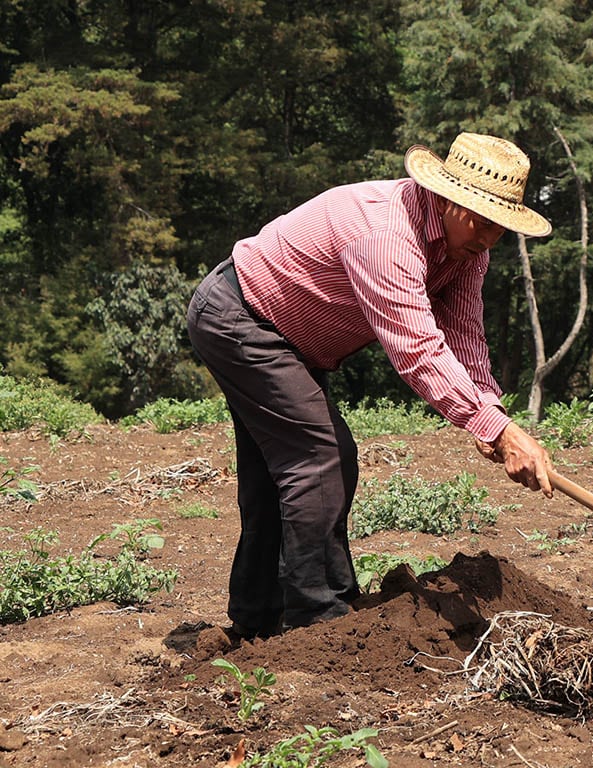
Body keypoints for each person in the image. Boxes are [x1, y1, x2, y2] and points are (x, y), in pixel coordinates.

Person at [186, 132, 555, 638]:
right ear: (447, 198)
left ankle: (257, 619)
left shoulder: (467, 250)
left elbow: (464, 334)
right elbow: (417, 348)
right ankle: (320, 621)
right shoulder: (384, 232)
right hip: (240, 319)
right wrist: (501, 431)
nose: (489, 239)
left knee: (281, 474)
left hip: (289, 337)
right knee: (321, 458)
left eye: (500, 228)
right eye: (482, 222)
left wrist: (489, 412)